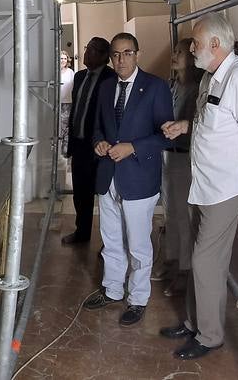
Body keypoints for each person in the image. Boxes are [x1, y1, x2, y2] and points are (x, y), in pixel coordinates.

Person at [160, 13, 238, 360]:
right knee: (201, 260)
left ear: (215, 44)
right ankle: (194, 321)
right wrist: (185, 126)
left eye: (195, 43)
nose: (191, 48)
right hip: (204, 184)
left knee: (204, 260)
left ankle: (209, 335)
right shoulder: (211, 77)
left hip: (226, 189)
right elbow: (213, 123)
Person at [84, 33, 173, 326]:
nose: (120, 59)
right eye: (115, 54)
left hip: (139, 177)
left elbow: (165, 136)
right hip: (108, 174)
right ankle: (112, 289)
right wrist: (98, 142)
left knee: (138, 243)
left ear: (137, 54)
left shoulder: (156, 87)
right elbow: (97, 126)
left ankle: (137, 298)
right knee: (110, 239)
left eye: (127, 53)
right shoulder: (106, 87)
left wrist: (133, 147)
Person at [61, 37, 115, 246]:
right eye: (87, 48)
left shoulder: (111, 79)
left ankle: (109, 243)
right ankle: (82, 232)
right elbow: (77, 109)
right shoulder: (81, 76)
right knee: (81, 193)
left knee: (104, 195)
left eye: (92, 50)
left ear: (103, 56)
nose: (86, 53)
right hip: (80, 143)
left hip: (100, 146)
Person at [162, 38, 202, 297]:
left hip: (186, 157)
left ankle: (186, 269)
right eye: (174, 51)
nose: (174, 55)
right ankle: (172, 261)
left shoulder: (198, 88)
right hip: (168, 154)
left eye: (179, 52)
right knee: (170, 213)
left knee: (185, 215)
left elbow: (198, 126)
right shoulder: (172, 85)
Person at [59, 50, 74, 157]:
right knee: (58, 127)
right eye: (61, 58)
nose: (63, 60)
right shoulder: (55, 72)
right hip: (57, 103)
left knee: (66, 128)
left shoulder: (70, 72)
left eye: (64, 58)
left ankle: (65, 151)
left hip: (68, 103)